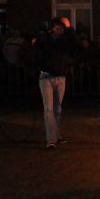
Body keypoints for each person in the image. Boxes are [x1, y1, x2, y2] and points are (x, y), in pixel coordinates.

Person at [34, 17, 75, 149]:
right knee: (49, 108)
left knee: (57, 108)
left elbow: (74, 43)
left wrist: (69, 28)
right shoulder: (45, 40)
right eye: (57, 28)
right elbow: (38, 45)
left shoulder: (64, 41)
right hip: (46, 76)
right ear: (52, 29)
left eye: (61, 28)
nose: (60, 30)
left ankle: (56, 135)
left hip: (60, 76)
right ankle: (51, 139)